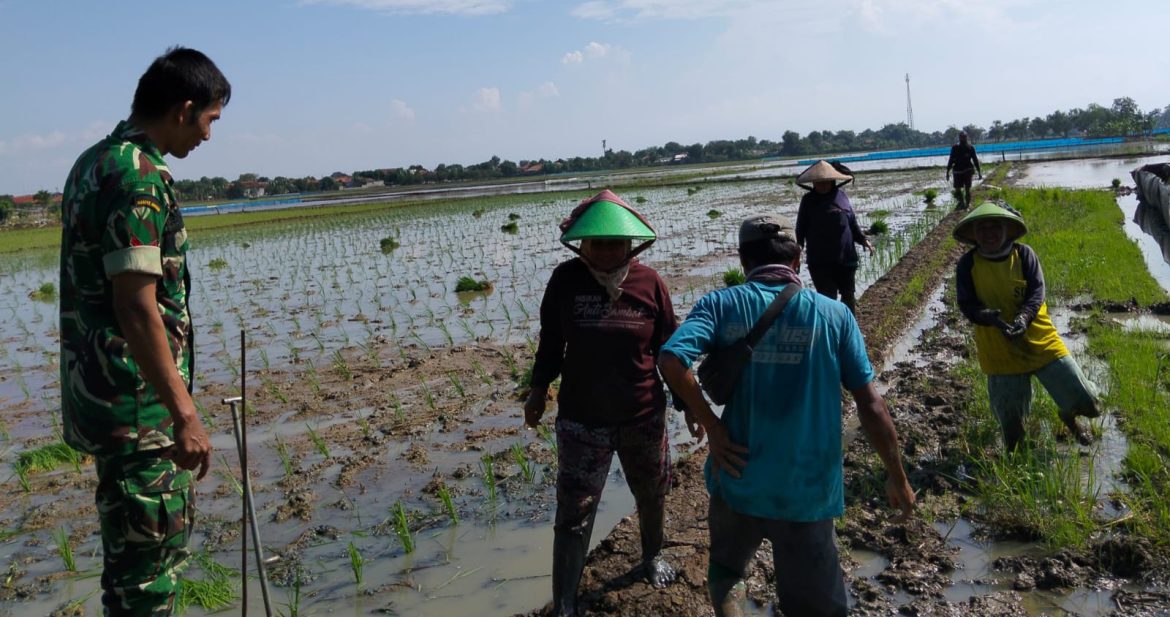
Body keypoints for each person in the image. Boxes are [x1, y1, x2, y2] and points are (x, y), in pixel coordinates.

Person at [658, 215, 915, 617]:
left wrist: (712, 425)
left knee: (727, 571)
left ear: (744, 260)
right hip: (807, 489)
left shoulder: (721, 303)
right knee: (814, 605)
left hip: (738, 475)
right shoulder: (834, 315)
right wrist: (896, 475)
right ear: (798, 258)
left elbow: (672, 359)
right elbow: (871, 404)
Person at [59, 47, 229, 615]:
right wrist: (184, 414)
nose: (208, 135)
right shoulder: (140, 177)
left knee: (128, 571)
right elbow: (136, 306)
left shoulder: (93, 162)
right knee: (150, 577)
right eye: (210, 119)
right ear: (184, 109)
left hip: (103, 398)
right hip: (141, 410)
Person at [524, 189, 679, 616]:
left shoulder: (650, 283)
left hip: (643, 414)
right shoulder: (565, 281)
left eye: (616, 242)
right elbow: (551, 343)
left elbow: (669, 348)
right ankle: (566, 602)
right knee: (573, 511)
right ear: (582, 245)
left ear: (631, 244)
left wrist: (688, 406)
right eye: (598, 243)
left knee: (651, 494)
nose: (608, 251)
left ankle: (652, 557)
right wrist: (538, 390)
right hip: (581, 419)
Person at [954, 202, 1099, 451]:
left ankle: (1069, 417)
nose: (988, 233)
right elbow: (967, 304)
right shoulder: (967, 264)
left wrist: (1023, 319)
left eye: (995, 227)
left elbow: (1036, 293)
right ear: (973, 233)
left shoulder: (1024, 255)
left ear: (1007, 230)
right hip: (999, 349)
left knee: (1089, 402)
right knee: (1013, 434)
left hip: (1041, 340)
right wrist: (984, 315)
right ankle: (1020, 469)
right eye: (982, 228)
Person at [794, 160, 873, 315]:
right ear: (813, 183)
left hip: (846, 257)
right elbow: (800, 228)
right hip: (819, 260)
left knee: (848, 295)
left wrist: (864, 240)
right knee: (827, 298)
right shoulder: (808, 201)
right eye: (818, 182)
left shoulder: (842, 196)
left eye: (825, 182)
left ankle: (849, 327)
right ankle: (831, 330)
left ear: (832, 181)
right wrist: (798, 249)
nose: (821, 185)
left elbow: (852, 223)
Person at [946, 130, 983, 209]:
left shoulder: (970, 147)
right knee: (957, 189)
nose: (963, 138)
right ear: (959, 138)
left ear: (967, 137)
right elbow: (951, 159)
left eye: (964, 137)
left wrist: (979, 172)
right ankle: (961, 202)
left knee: (967, 188)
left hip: (968, 169)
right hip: (957, 170)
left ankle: (968, 204)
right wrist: (947, 171)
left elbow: (975, 160)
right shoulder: (955, 148)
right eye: (961, 137)